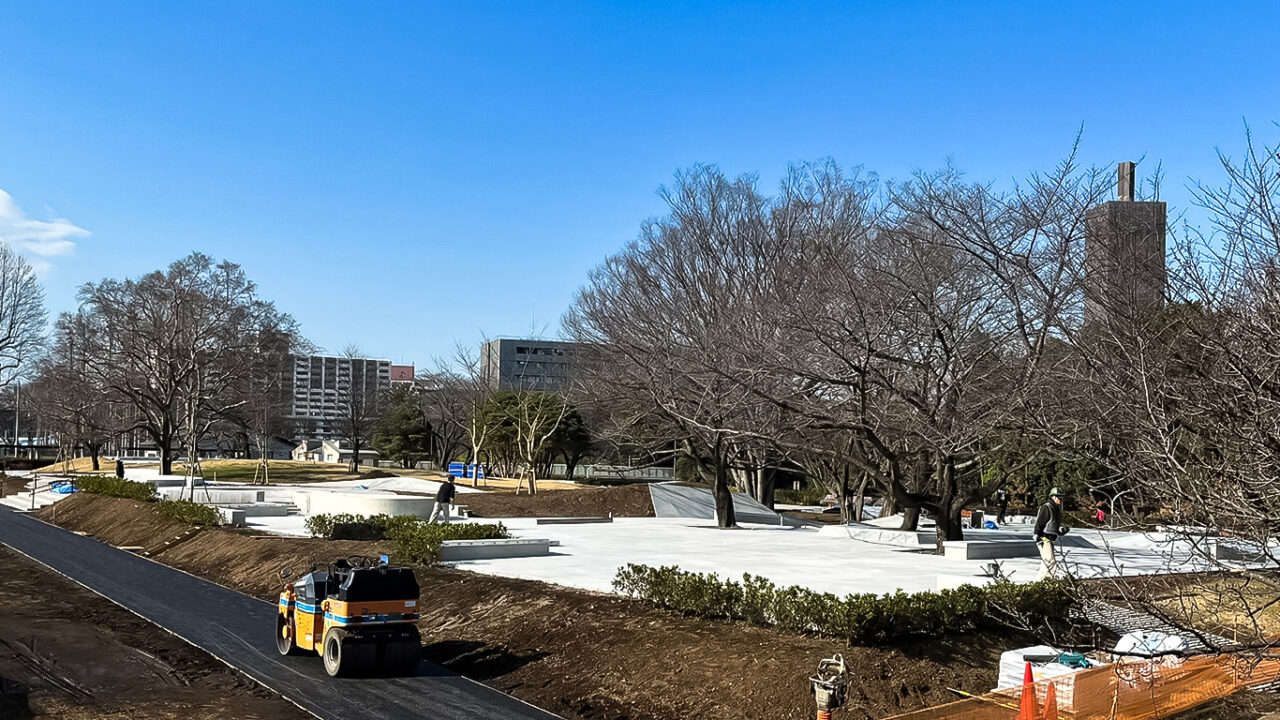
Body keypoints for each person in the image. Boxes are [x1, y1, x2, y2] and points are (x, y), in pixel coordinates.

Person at [1033, 487, 1069, 580]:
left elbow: (1053, 524)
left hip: (1051, 538)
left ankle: (1041, 582)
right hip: (1045, 538)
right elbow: (1040, 522)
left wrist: (1061, 531)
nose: (1061, 500)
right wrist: (1037, 534)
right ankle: (1046, 581)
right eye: (1059, 498)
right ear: (1053, 497)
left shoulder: (1056, 509)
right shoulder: (1047, 507)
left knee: (1046, 563)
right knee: (1050, 562)